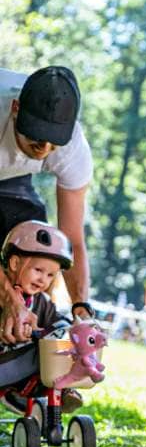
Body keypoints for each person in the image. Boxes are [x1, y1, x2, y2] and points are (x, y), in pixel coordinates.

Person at [0, 66, 93, 345]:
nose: (44, 149)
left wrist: (82, 309)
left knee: (36, 241)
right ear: (16, 108)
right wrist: (7, 295)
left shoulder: (73, 148)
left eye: (54, 141)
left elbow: (73, 240)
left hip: (13, 178)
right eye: (37, 137)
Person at [0, 220, 81, 412]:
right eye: (38, 270)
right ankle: (19, 393)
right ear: (14, 263)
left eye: (50, 275)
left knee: (61, 341)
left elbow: (59, 325)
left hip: (22, 369)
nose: (43, 279)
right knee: (44, 353)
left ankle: (26, 394)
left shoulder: (41, 302)